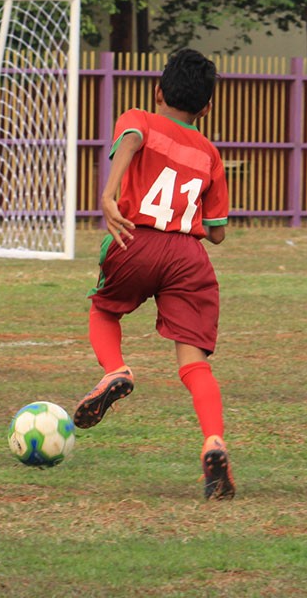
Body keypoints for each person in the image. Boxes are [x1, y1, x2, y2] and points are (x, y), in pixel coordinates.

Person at [72, 48, 235, 500]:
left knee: (105, 310)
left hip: (135, 239)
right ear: (206, 108)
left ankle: (116, 370)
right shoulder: (210, 154)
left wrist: (109, 195)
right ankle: (213, 441)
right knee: (194, 361)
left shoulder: (139, 118)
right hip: (188, 256)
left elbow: (130, 139)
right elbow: (218, 233)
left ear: (157, 91)